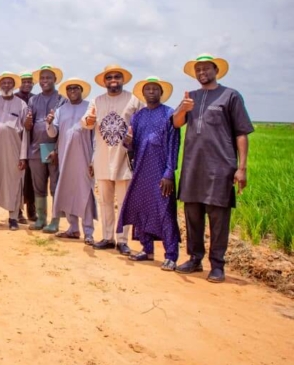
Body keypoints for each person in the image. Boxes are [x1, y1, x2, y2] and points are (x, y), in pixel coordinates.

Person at [173, 54, 253, 283]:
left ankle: (217, 265)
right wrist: (183, 109)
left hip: (220, 168)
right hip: (193, 166)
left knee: (219, 218)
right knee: (193, 216)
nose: (202, 73)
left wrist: (242, 168)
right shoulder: (191, 97)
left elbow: (241, 133)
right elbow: (177, 123)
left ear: (216, 70)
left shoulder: (230, 96)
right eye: (198, 69)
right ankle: (195, 259)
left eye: (206, 68)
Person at [116, 76, 181, 270]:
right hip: (141, 170)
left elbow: (174, 144)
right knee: (142, 209)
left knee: (165, 212)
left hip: (161, 170)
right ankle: (147, 249)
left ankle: (171, 255)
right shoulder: (138, 116)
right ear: (143, 94)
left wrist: (169, 172)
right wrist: (126, 140)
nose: (151, 92)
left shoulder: (169, 114)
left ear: (161, 93)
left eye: (155, 89)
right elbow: (132, 145)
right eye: (148, 89)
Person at [82, 64, 144, 255]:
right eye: (110, 78)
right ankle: (108, 237)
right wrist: (90, 121)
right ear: (104, 81)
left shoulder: (133, 100)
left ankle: (122, 240)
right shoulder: (97, 101)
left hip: (123, 158)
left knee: (124, 201)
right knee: (105, 201)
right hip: (102, 157)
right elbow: (86, 122)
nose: (113, 80)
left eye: (117, 77)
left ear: (123, 79)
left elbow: (143, 122)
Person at [46, 78, 97, 245]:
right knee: (68, 191)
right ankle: (73, 228)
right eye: (69, 89)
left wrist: (94, 160)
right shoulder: (61, 110)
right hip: (65, 156)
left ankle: (88, 231)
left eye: (76, 88)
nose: (73, 91)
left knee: (85, 193)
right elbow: (53, 134)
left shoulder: (90, 107)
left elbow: (95, 136)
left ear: (81, 90)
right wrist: (48, 123)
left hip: (84, 157)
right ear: (66, 92)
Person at [0, 72, 29, 231]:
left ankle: (13, 218)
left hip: (14, 149)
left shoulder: (21, 104)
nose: (6, 85)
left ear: (14, 85)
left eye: (10, 83)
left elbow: (26, 132)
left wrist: (23, 156)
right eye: (4, 83)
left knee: (13, 182)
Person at [24, 64, 66, 232]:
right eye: (42, 78)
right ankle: (41, 218)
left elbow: (63, 126)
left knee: (55, 185)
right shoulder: (33, 100)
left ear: (55, 79)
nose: (45, 81)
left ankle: (55, 221)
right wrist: (27, 123)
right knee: (38, 185)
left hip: (52, 147)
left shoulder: (61, 99)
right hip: (35, 147)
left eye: (48, 77)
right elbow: (28, 124)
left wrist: (57, 148)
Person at [15, 70, 36, 223]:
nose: (27, 84)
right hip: (17, 142)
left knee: (32, 177)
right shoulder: (14, 99)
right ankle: (17, 210)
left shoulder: (36, 99)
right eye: (24, 81)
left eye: (29, 82)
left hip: (34, 143)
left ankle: (32, 209)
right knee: (18, 177)